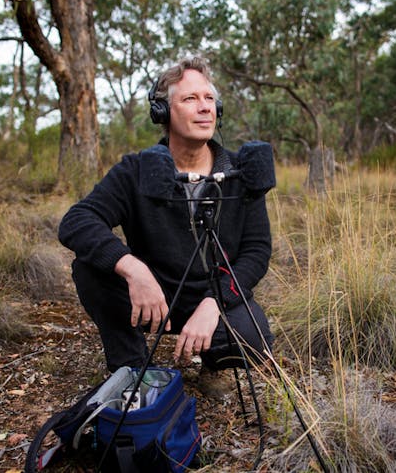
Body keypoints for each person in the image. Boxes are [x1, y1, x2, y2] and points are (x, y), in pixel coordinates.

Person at [58, 55, 274, 375]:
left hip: (211, 297)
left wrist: (215, 302)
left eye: (209, 98)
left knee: (253, 340)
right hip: (153, 297)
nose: (204, 107)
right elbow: (77, 220)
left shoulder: (241, 173)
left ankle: (206, 360)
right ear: (163, 112)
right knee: (90, 267)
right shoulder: (135, 170)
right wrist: (133, 269)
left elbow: (256, 251)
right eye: (190, 99)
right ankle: (130, 366)